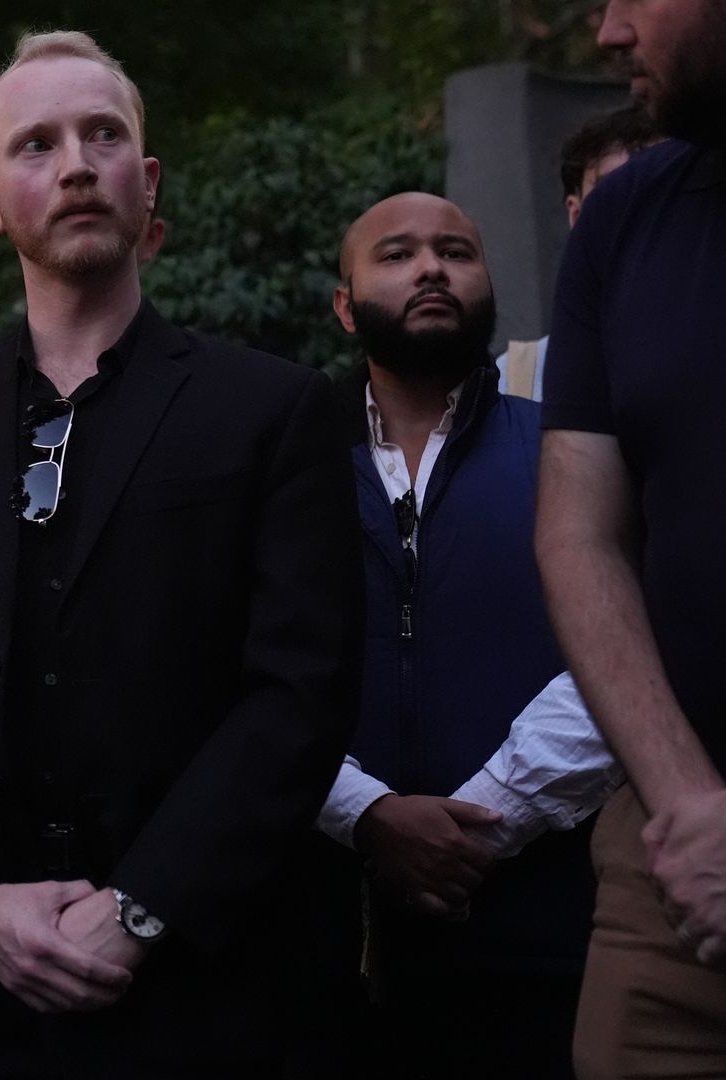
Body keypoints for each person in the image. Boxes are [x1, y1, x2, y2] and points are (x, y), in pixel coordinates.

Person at [0, 31, 361, 1078]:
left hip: (211, 990)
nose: (75, 163)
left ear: (146, 180)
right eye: (35, 144)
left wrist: (146, 907)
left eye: (103, 135)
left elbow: (301, 692)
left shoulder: (270, 410)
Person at [315, 192, 610, 1078]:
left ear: (491, 289)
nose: (432, 268)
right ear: (345, 304)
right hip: (323, 948)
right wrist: (363, 814)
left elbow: (626, 646)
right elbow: (224, 658)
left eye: (456, 252)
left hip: (547, 938)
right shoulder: (281, 463)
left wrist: (488, 818)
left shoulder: (573, 451)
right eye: (397, 254)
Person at [535, 0, 726, 1074]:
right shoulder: (623, 222)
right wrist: (693, 806)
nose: (606, 35)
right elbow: (579, 535)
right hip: (676, 879)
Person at [494, 106, 659, 399]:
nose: (637, 205)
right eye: (614, 190)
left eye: (658, 184)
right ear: (577, 213)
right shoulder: (518, 378)